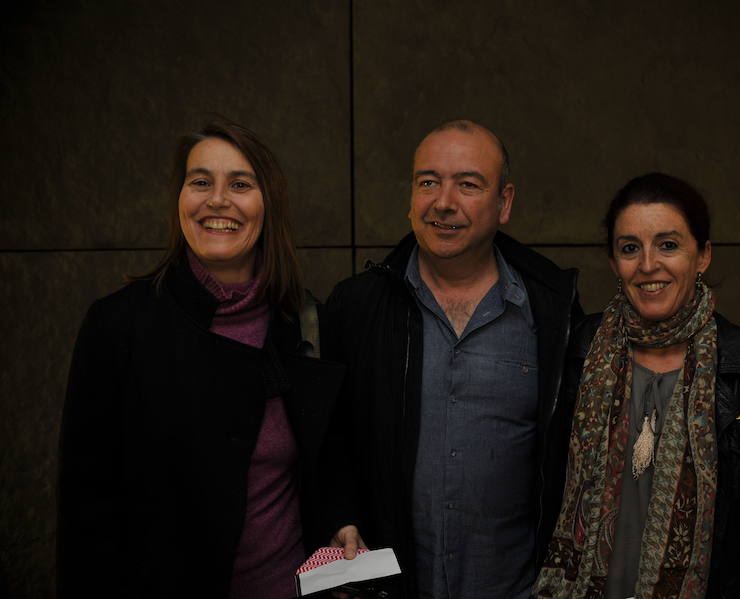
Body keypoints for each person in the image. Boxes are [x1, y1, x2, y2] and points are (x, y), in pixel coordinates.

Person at [57, 120, 349, 598]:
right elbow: (86, 515)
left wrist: (342, 522)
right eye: (200, 182)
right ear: (180, 200)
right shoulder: (118, 327)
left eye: (240, 184)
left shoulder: (307, 323)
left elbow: (329, 467)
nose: (217, 200)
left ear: (268, 203)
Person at [321, 119, 583, 598]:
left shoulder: (552, 314)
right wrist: (340, 517)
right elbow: (331, 440)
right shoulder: (356, 307)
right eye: (428, 182)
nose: (443, 202)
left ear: (504, 203)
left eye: (467, 184)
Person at [534, 173, 740, 598]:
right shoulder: (575, 352)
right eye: (629, 248)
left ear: (703, 255)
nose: (647, 265)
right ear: (613, 262)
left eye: (668, 245)